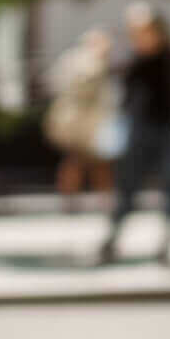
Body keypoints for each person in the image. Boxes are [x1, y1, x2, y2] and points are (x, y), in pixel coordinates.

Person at [96, 1, 170, 266]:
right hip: (138, 130)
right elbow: (116, 87)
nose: (140, 36)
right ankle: (112, 239)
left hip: (167, 130)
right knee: (127, 187)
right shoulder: (133, 60)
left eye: (145, 30)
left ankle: (166, 243)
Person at [42, 26, 118, 212]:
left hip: (82, 122)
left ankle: (85, 200)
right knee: (83, 160)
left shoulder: (74, 59)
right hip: (80, 123)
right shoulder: (89, 61)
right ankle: (88, 200)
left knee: (87, 161)